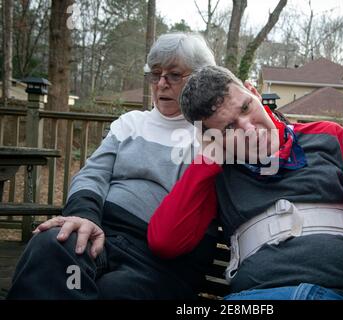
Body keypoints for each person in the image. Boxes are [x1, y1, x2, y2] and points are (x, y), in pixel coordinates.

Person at [147, 65, 343, 300]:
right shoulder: (218, 174)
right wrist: (206, 160)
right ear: (210, 138)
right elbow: (164, 242)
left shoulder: (329, 137)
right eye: (229, 128)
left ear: (254, 92)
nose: (250, 130)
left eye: (246, 107)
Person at [7, 33, 218, 299]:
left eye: (174, 75)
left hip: (156, 260)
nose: (161, 84)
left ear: (199, 79)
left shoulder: (209, 136)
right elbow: (93, 174)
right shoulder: (130, 123)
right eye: (155, 74)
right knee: (52, 245)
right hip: (101, 235)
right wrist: (83, 215)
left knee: (111, 292)